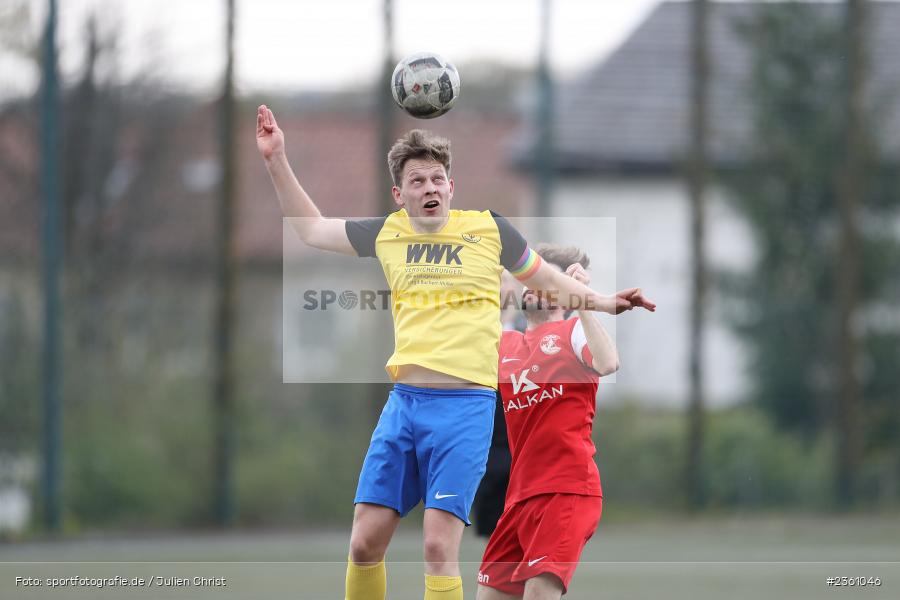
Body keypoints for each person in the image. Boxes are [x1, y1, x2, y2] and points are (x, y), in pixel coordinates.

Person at [255, 105, 656, 600]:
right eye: (417, 180)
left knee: (437, 549)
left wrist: (602, 303)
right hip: (404, 405)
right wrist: (276, 159)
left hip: (465, 410)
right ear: (399, 195)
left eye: (437, 178)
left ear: (451, 188)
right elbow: (311, 230)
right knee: (363, 543)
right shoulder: (387, 233)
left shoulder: (490, 231)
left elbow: (547, 279)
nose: (429, 187)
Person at [477, 244, 623, 600]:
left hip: (566, 490)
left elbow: (607, 363)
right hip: (518, 499)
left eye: (547, 281)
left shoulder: (572, 332)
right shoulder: (504, 342)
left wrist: (584, 302)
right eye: (532, 278)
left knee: (539, 594)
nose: (534, 285)